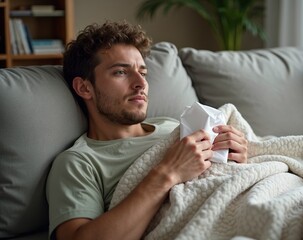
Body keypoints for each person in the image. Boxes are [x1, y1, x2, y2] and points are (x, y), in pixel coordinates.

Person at [46, 21, 248, 240]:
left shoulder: (173, 125)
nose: (140, 83)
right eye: (121, 72)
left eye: (143, 72)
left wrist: (239, 156)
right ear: (85, 87)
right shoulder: (78, 163)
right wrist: (169, 172)